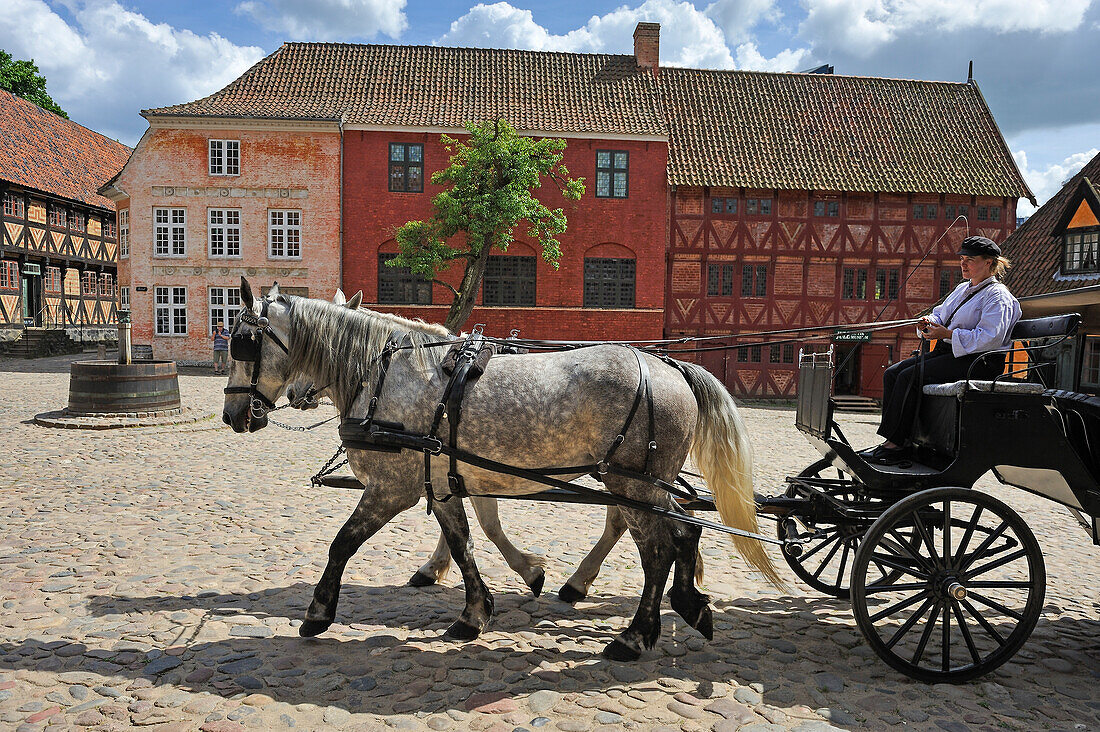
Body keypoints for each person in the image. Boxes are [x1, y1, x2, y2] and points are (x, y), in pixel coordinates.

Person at [871, 236, 1021, 463]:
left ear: (989, 262)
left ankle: (897, 445)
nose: (963, 264)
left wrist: (948, 334)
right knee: (892, 374)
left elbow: (991, 338)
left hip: (978, 362)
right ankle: (899, 440)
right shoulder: (963, 289)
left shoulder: (998, 297)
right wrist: (928, 322)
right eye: (961, 259)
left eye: (969, 260)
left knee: (909, 376)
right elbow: (941, 314)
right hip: (952, 354)